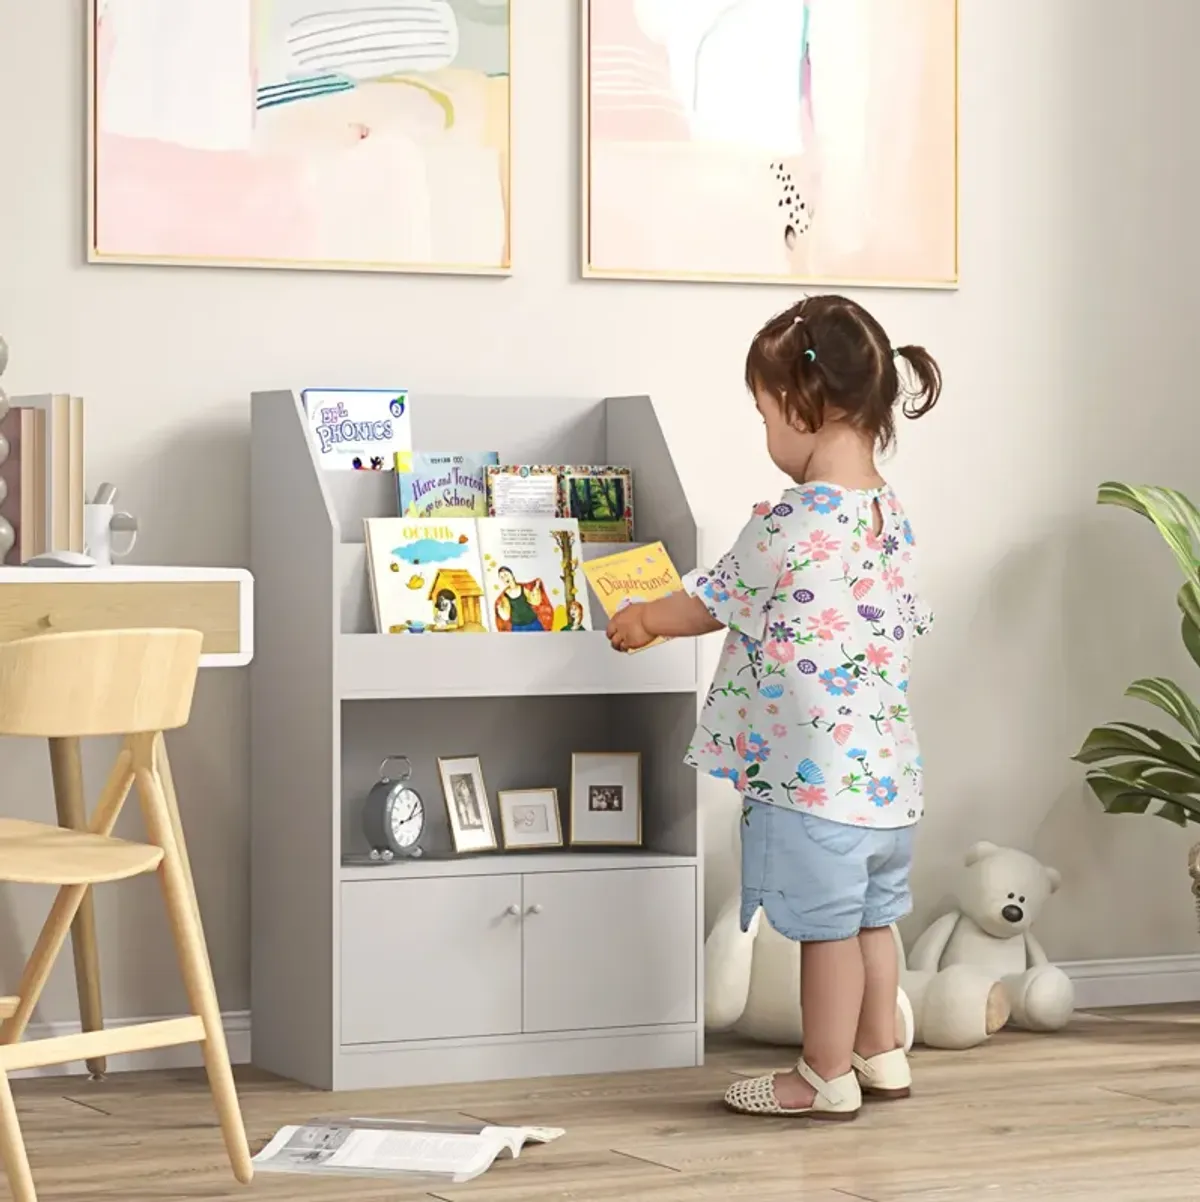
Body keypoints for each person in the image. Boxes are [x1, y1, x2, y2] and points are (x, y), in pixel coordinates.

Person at [606, 295, 939, 1121]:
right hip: (887, 781)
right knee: (873, 922)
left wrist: (646, 617)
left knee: (825, 933)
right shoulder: (887, 514)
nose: (765, 435)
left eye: (763, 414)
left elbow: (712, 599)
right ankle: (880, 1052)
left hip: (813, 780)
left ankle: (822, 1074)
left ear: (804, 406)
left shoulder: (791, 522)